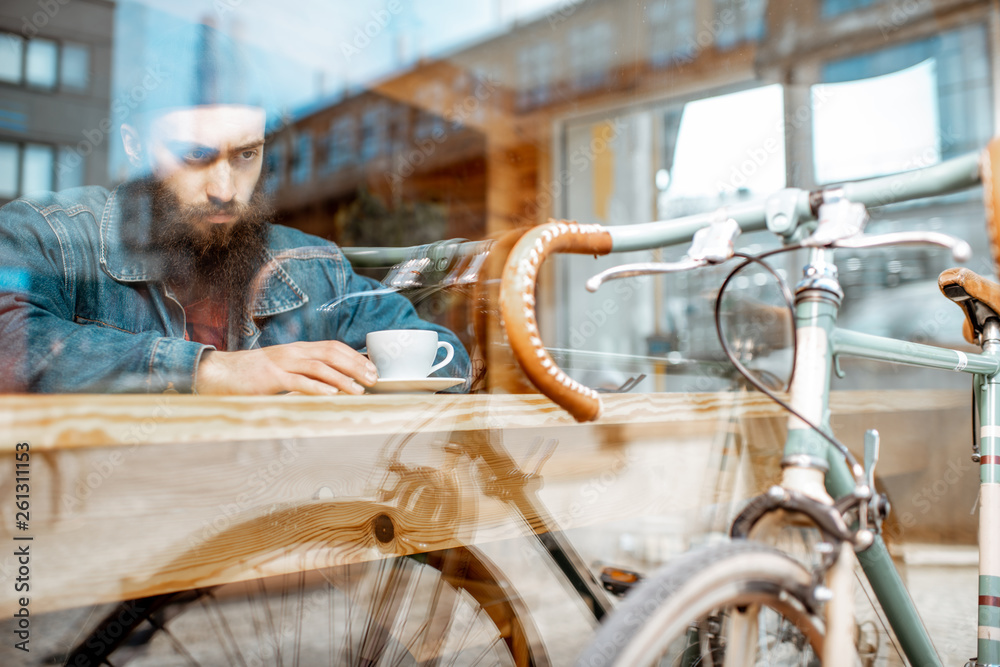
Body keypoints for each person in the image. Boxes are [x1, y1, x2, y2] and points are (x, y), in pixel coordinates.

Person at [0, 25, 469, 395]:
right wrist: (210, 371)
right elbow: (9, 338)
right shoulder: (50, 236)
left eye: (246, 155)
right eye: (195, 156)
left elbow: (450, 357)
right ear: (133, 146)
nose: (225, 189)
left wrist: (360, 379)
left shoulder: (316, 271)